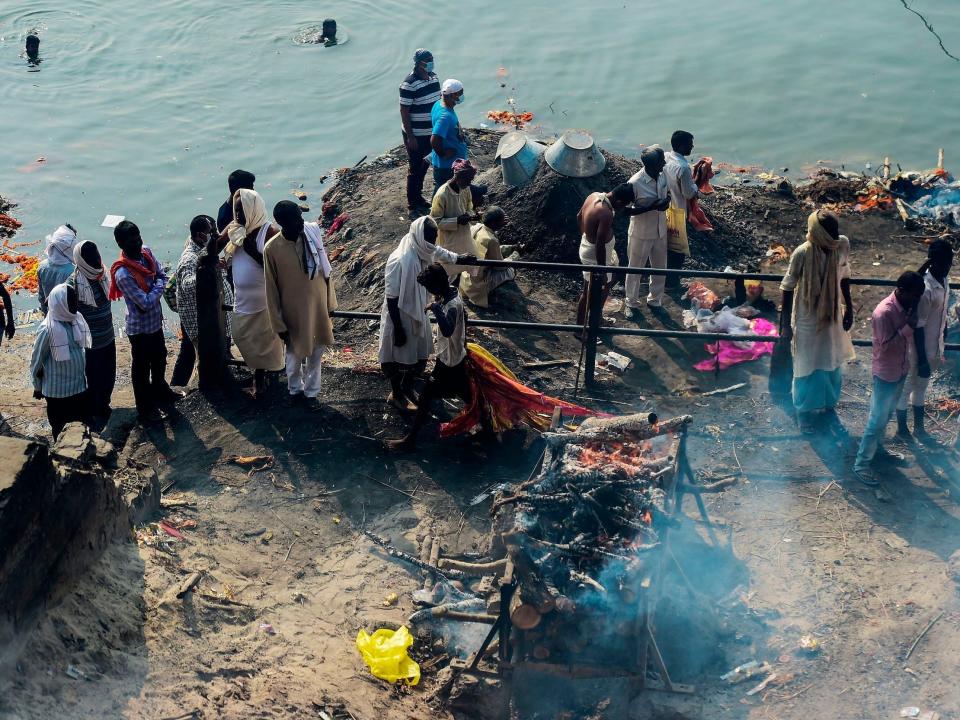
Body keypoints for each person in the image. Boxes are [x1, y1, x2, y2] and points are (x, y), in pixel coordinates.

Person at [379, 216, 467, 410]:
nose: (434, 242)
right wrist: (399, 328)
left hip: (419, 309)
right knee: (395, 356)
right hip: (400, 314)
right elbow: (391, 297)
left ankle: (408, 387)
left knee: (420, 356)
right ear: (420, 236)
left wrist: (460, 258)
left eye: (435, 237)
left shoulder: (423, 247)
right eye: (431, 238)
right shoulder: (399, 260)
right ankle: (397, 394)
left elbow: (439, 252)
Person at [780, 210, 854, 435]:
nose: (835, 236)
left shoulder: (841, 246)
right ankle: (804, 413)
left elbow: (845, 277)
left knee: (832, 360)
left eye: (836, 231)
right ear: (818, 233)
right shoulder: (802, 253)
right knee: (805, 364)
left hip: (831, 313)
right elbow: (787, 287)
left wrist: (849, 307)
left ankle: (829, 407)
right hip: (807, 317)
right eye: (830, 233)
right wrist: (784, 325)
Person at [853, 272, 926, 486]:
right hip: (886, 373)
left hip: (900, 369)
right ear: (901, 291)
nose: (917, 301)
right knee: (876, 420)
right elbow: (885, 347)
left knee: (885, 417)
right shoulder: (883, 313)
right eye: (914, 296)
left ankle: (879, 451)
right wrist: (908, 328)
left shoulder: (907, 305)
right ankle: (861, 464)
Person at [386, 264, 470, 450]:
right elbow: (465, 319)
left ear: (438, 285)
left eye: (429, 288)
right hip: (453, 358)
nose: (429, 292)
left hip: (450, 362)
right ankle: (490, 427)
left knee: (426, 397)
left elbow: (447, 330)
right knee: (467, 395)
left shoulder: (452, 304)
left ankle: (410, 440)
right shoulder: (451, 294)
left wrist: (435, 308)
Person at [264, 202, 337, 405]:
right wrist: (278, 324)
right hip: (293, 312)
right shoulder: (272, 249)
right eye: (297, 219)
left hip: (318, 305)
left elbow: (325, 271)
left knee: (316, 352)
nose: (302, 222)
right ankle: (295, 389)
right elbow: (271, 289)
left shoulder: (310, 236)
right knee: (294, 354)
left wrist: (330, 303)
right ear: (284, 223)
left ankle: (312, 392)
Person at [109, 220, 182, 424]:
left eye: (138, 237)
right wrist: (159, 284)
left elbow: (160, 275)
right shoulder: (123, 274)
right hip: (139, 329)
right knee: (141, 368)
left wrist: (157, 283)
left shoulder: (146, 253)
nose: (137, 243)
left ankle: (161, 391)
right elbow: (145, 302)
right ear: (120, 244)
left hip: (155, 324)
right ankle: (144, 408)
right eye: (131, 241)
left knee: (160, 358)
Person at [224, 189, 285, 397]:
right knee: (241, 336)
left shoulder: (269, 232)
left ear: (253, 209)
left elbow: (277, 268)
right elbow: (218, 246)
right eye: (236, 210)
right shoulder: (236, 230)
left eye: (242, 211)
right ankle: (262, 379)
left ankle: (262, 384)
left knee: (266, 342)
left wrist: (250, 250)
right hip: (242, 300)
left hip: (263, 302)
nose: (238, 216)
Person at [896, 239, 953, 442]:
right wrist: (921, 360)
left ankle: (918, 429)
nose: (948, 267)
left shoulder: (944, 281)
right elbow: (918, 327)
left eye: (950, 262)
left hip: (933, 347)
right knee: (907, 388)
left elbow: (942, 313)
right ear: (933, 262)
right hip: (918, 349)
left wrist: (943, 335)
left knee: (920, 388)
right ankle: (902, 430)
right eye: (944, 263)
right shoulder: (926, 289)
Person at [172, 216, 234, 388]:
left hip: (212, 320)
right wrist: (208, 268)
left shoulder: (204, 249)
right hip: (200, 322)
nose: (215, 236)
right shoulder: (189, 259)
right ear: (200, 235)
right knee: (200, 359)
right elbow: (188, 285)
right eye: (212, 233)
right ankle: (201, 389)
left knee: (191, 355)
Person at [30, 284, 91, 439]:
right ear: (61, 304)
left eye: (75, 300)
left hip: (78, 387)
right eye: (72, 301)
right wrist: (37, 387)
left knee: (80, 427)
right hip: (57, 393)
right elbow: (36, 361)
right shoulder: (47, 329)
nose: (76, 304)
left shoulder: (75, 319)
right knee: (60, 428)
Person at [67, 240, 115, 430]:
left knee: (109, 376)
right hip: (90, 343)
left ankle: (104, 406)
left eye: (96, 255)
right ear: (81, 260)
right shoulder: (73, 284)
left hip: (108, 336)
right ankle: (95, 412)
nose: (96, 260)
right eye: (91, 258)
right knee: (94, 379)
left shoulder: (102, 273)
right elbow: (67, 313)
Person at [575, 183, 634, 327]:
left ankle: (597, 319)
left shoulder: (593, 196)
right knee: (589, 291)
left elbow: (579, 216)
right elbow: (600, 244)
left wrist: (586, 236)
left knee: (606, 283)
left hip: (589, 247)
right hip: (595, 256)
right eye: (623, 205)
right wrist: (601, 270)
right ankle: (581, 327)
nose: (620, 209)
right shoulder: (606, 213)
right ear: (619, 202)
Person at [624, 147, 672, 316]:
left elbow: (667, 193)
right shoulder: (634, 183)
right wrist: (651, 207)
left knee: (660, 267)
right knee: (635, 269)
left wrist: (666, 201)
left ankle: (655, 300)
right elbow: (625, 210)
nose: (665, 163)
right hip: (641, 233)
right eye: (661, 161)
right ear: (652, 165)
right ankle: (631, 303)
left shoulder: (662, 174)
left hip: (660, 230)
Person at [399, 49, 441, 213]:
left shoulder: (434, 77)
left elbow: (438, 102)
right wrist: (411, 137)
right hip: (416, 134)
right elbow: (404, 111)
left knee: (426, 164)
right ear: (419, 63)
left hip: (431, 132)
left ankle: (419, 196)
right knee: (415, 166)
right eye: (427, 60)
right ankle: (412, 201)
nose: (430, 62)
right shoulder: (409, 83)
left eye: (431, 59)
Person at [430, 159, 481, 284]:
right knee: (449, 268)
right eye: (468, 180)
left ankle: (460, 290)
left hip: (464, 235)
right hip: (449, 239)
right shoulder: (442, 194)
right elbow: (435, 221)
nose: (469, 184)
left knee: (466, 263)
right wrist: (457, 220)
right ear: (458, 177)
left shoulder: (465, 189)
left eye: (471, 180)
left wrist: (472, 216)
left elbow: (469, 207)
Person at [664, 131, 701, 288]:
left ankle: (665, 277)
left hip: (665, 208)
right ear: (681, 145)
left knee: (666, 244)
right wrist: (697, 183)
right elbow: (688, 193)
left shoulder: (666, 157)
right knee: (678, 248)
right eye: (690, 144)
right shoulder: (684, 167)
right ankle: (672, 282)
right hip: (678, 211)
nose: (692, 146)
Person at [460, 206, 516, 307]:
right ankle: (488, 293)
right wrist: (516, 254)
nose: (504, 222)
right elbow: (500, 266)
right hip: (477, 285)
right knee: (510, 270)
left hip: (466, 277)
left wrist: (511, 248)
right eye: (502, 221)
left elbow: (489, 251)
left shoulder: (476, 227)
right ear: (493, 223)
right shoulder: (492, 240)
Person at [429, 79, 468, 193]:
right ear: (454, 95)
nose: (462, 95)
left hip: (448, 163)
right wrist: (444, 155)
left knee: (443, 190)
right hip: (447, 166)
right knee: (447, 192)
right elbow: (434, 140)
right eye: (461, 93)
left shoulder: (438, 104)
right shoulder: (445, 116)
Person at [38, 224, 79, 315]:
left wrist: (45, 314)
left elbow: (41, 297)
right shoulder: (73, 272)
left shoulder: (42, 267)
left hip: (50, 314)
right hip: (68, 316)